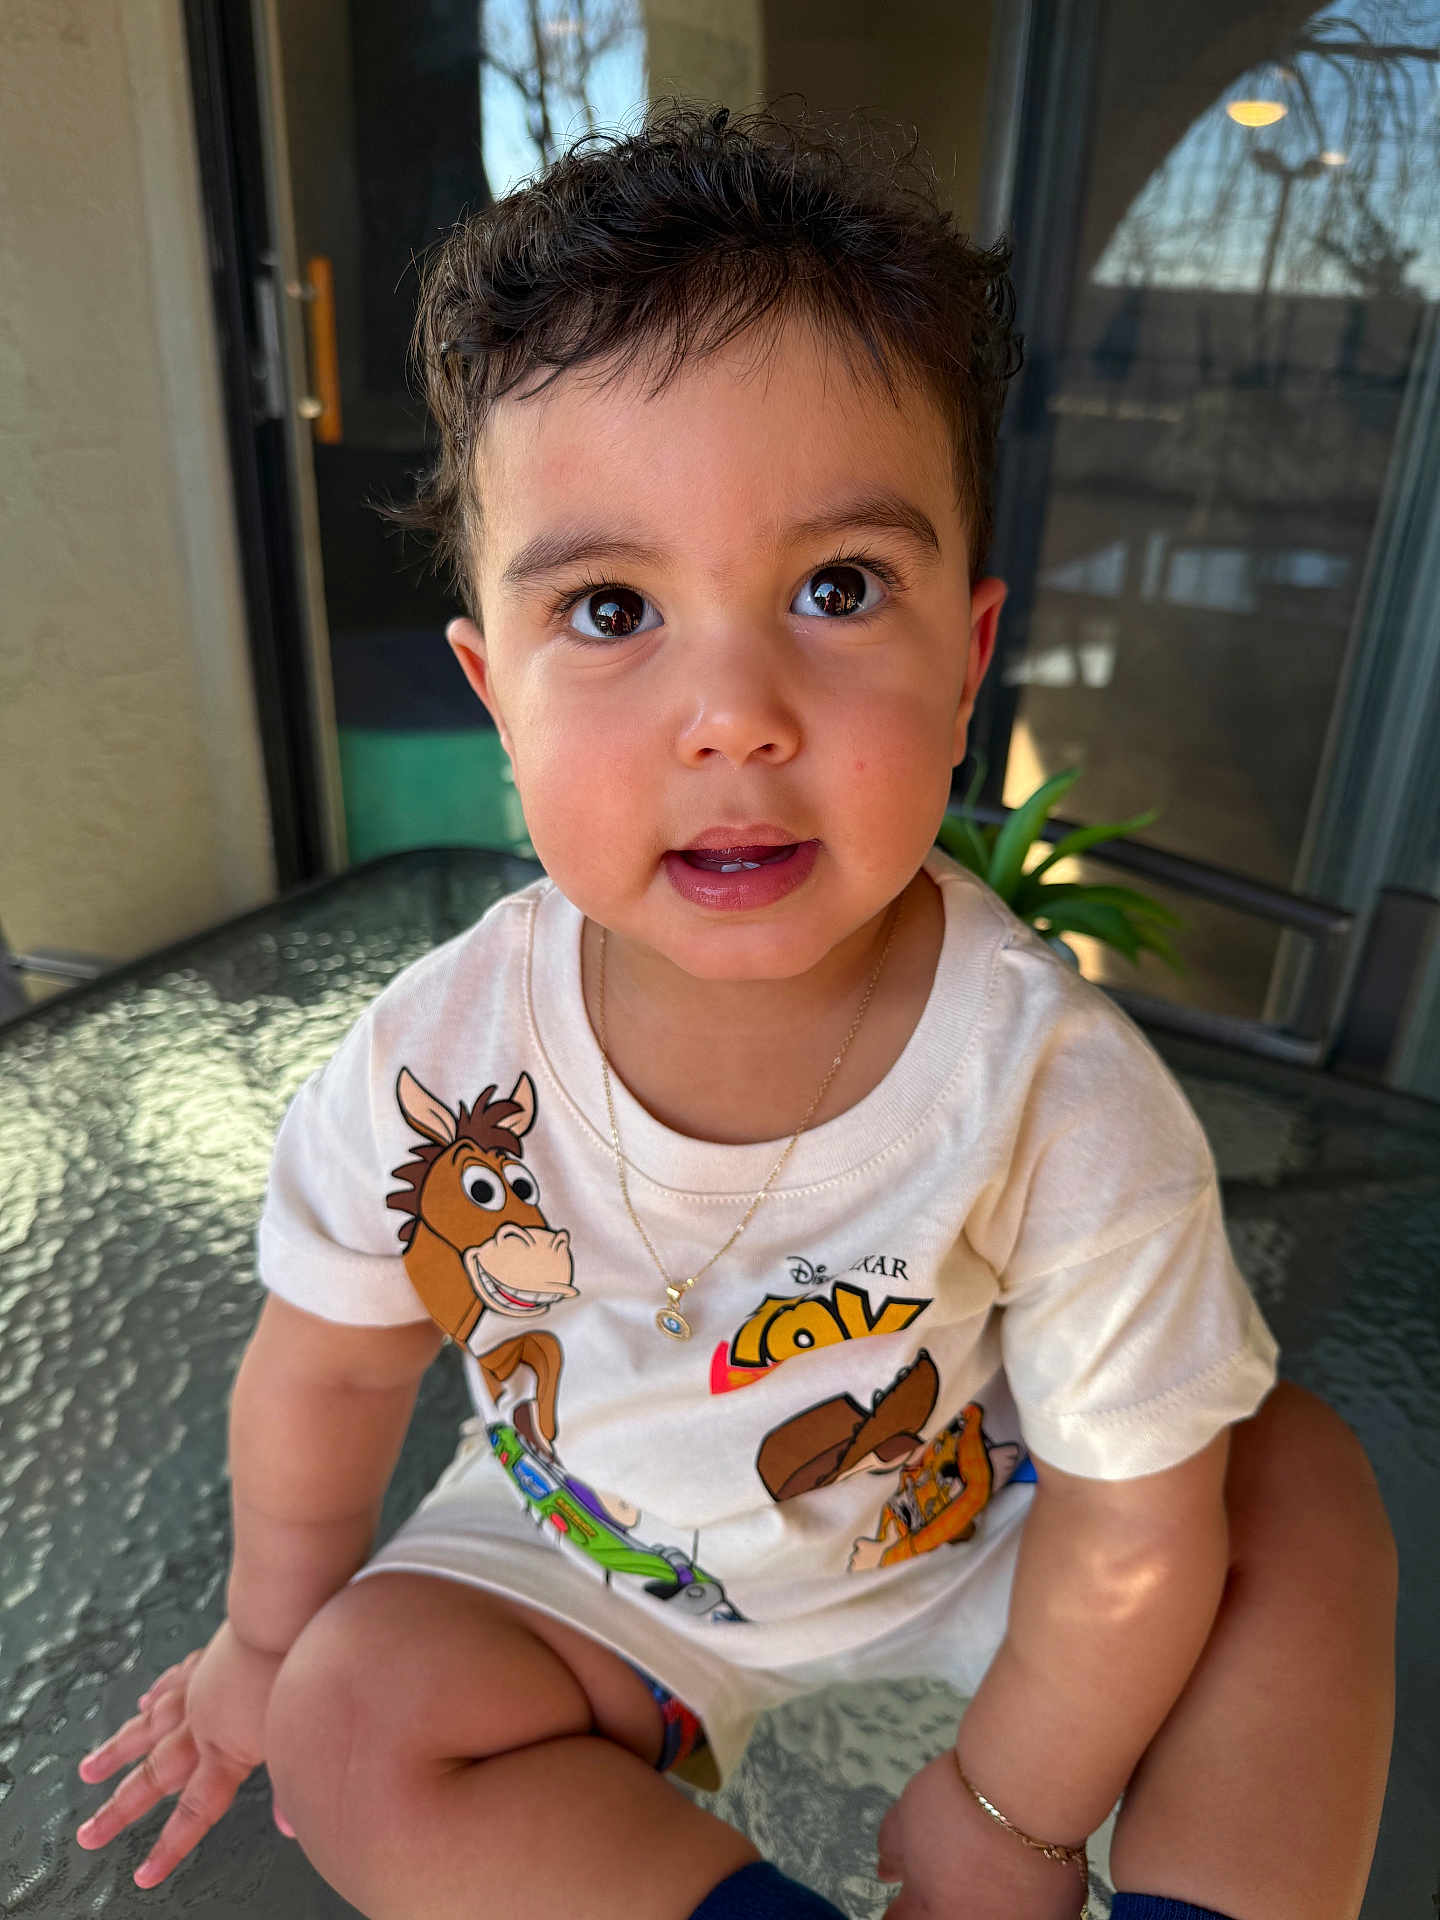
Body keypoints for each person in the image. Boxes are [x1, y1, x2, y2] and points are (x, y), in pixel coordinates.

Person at [74, 101, 1396, 1920]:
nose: (736, 714)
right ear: (491, 688)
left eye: (837, 590)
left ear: (967, 660)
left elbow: (1130, 1530)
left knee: (1290, 1495)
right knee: (356, 1718)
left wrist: (1011, 1812)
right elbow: (328, 1361)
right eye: (611, 607)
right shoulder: (437, 1057)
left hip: (984, 1531)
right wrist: (264, 1641)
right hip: (594, 1563)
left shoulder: (1047, 1086)